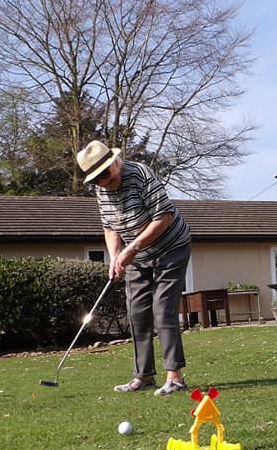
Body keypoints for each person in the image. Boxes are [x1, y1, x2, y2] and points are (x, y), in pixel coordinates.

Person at [76, 140, 192, 395]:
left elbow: (164, 217)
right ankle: (144, 376)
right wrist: (115, 255)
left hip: (170, 248)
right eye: (97, 178)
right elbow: (109, 226)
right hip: (138, 256)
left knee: (163, 310)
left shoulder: (140, 175)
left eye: (105, 173)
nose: (104, 181)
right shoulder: (101, 190)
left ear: (115, 162)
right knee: (137, 312)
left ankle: (175, 377)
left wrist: (132, 249)